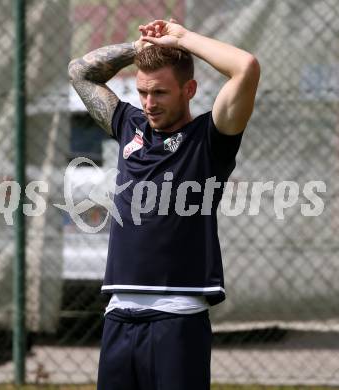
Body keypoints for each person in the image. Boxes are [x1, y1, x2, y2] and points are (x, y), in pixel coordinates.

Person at [68, 18, 260, 390]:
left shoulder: (209, 138)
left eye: (160, 93)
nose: (149, 103)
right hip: (118, 316)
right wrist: (137, 48)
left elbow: (245, 67)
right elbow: (80, 72)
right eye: (142, 92)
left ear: (189, 89)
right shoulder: (129, 126)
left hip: (177, 319)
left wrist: (183, 39)